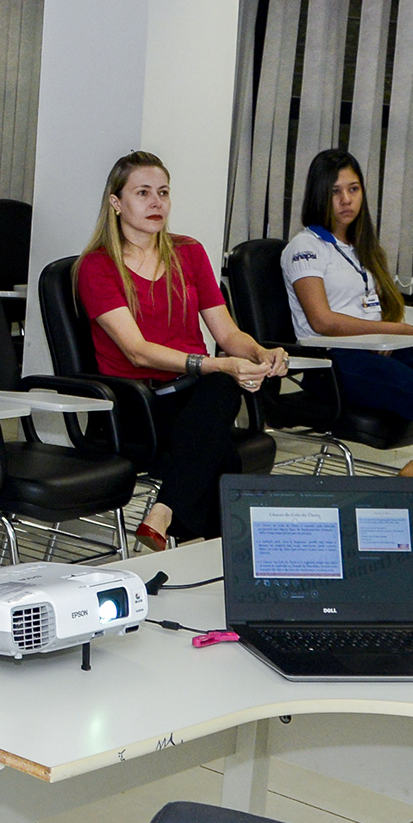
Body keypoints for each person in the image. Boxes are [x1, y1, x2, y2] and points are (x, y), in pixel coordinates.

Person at [77, 151, 289, 549]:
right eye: (143, 193)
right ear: (116, 202)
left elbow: (227, 333)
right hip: (136, 404)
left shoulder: (188, 251)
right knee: (223, 452)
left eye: (163, 192)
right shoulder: (97, 266)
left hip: (193, 397)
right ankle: (234, 552)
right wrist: (211, 364)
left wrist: (261, 352)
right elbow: (137, 351)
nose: (157, 202)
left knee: (222, 389)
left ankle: (165, 511)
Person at [283, 148, 413, 568]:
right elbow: (323, 320)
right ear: (319, 195)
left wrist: (388, 334)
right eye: (335, 192)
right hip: (333, 363)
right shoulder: (305, 247)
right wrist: (393, 329)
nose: (347, 200)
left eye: (353, 189)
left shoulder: (359, 247)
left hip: (376, 353)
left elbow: (369, 309)